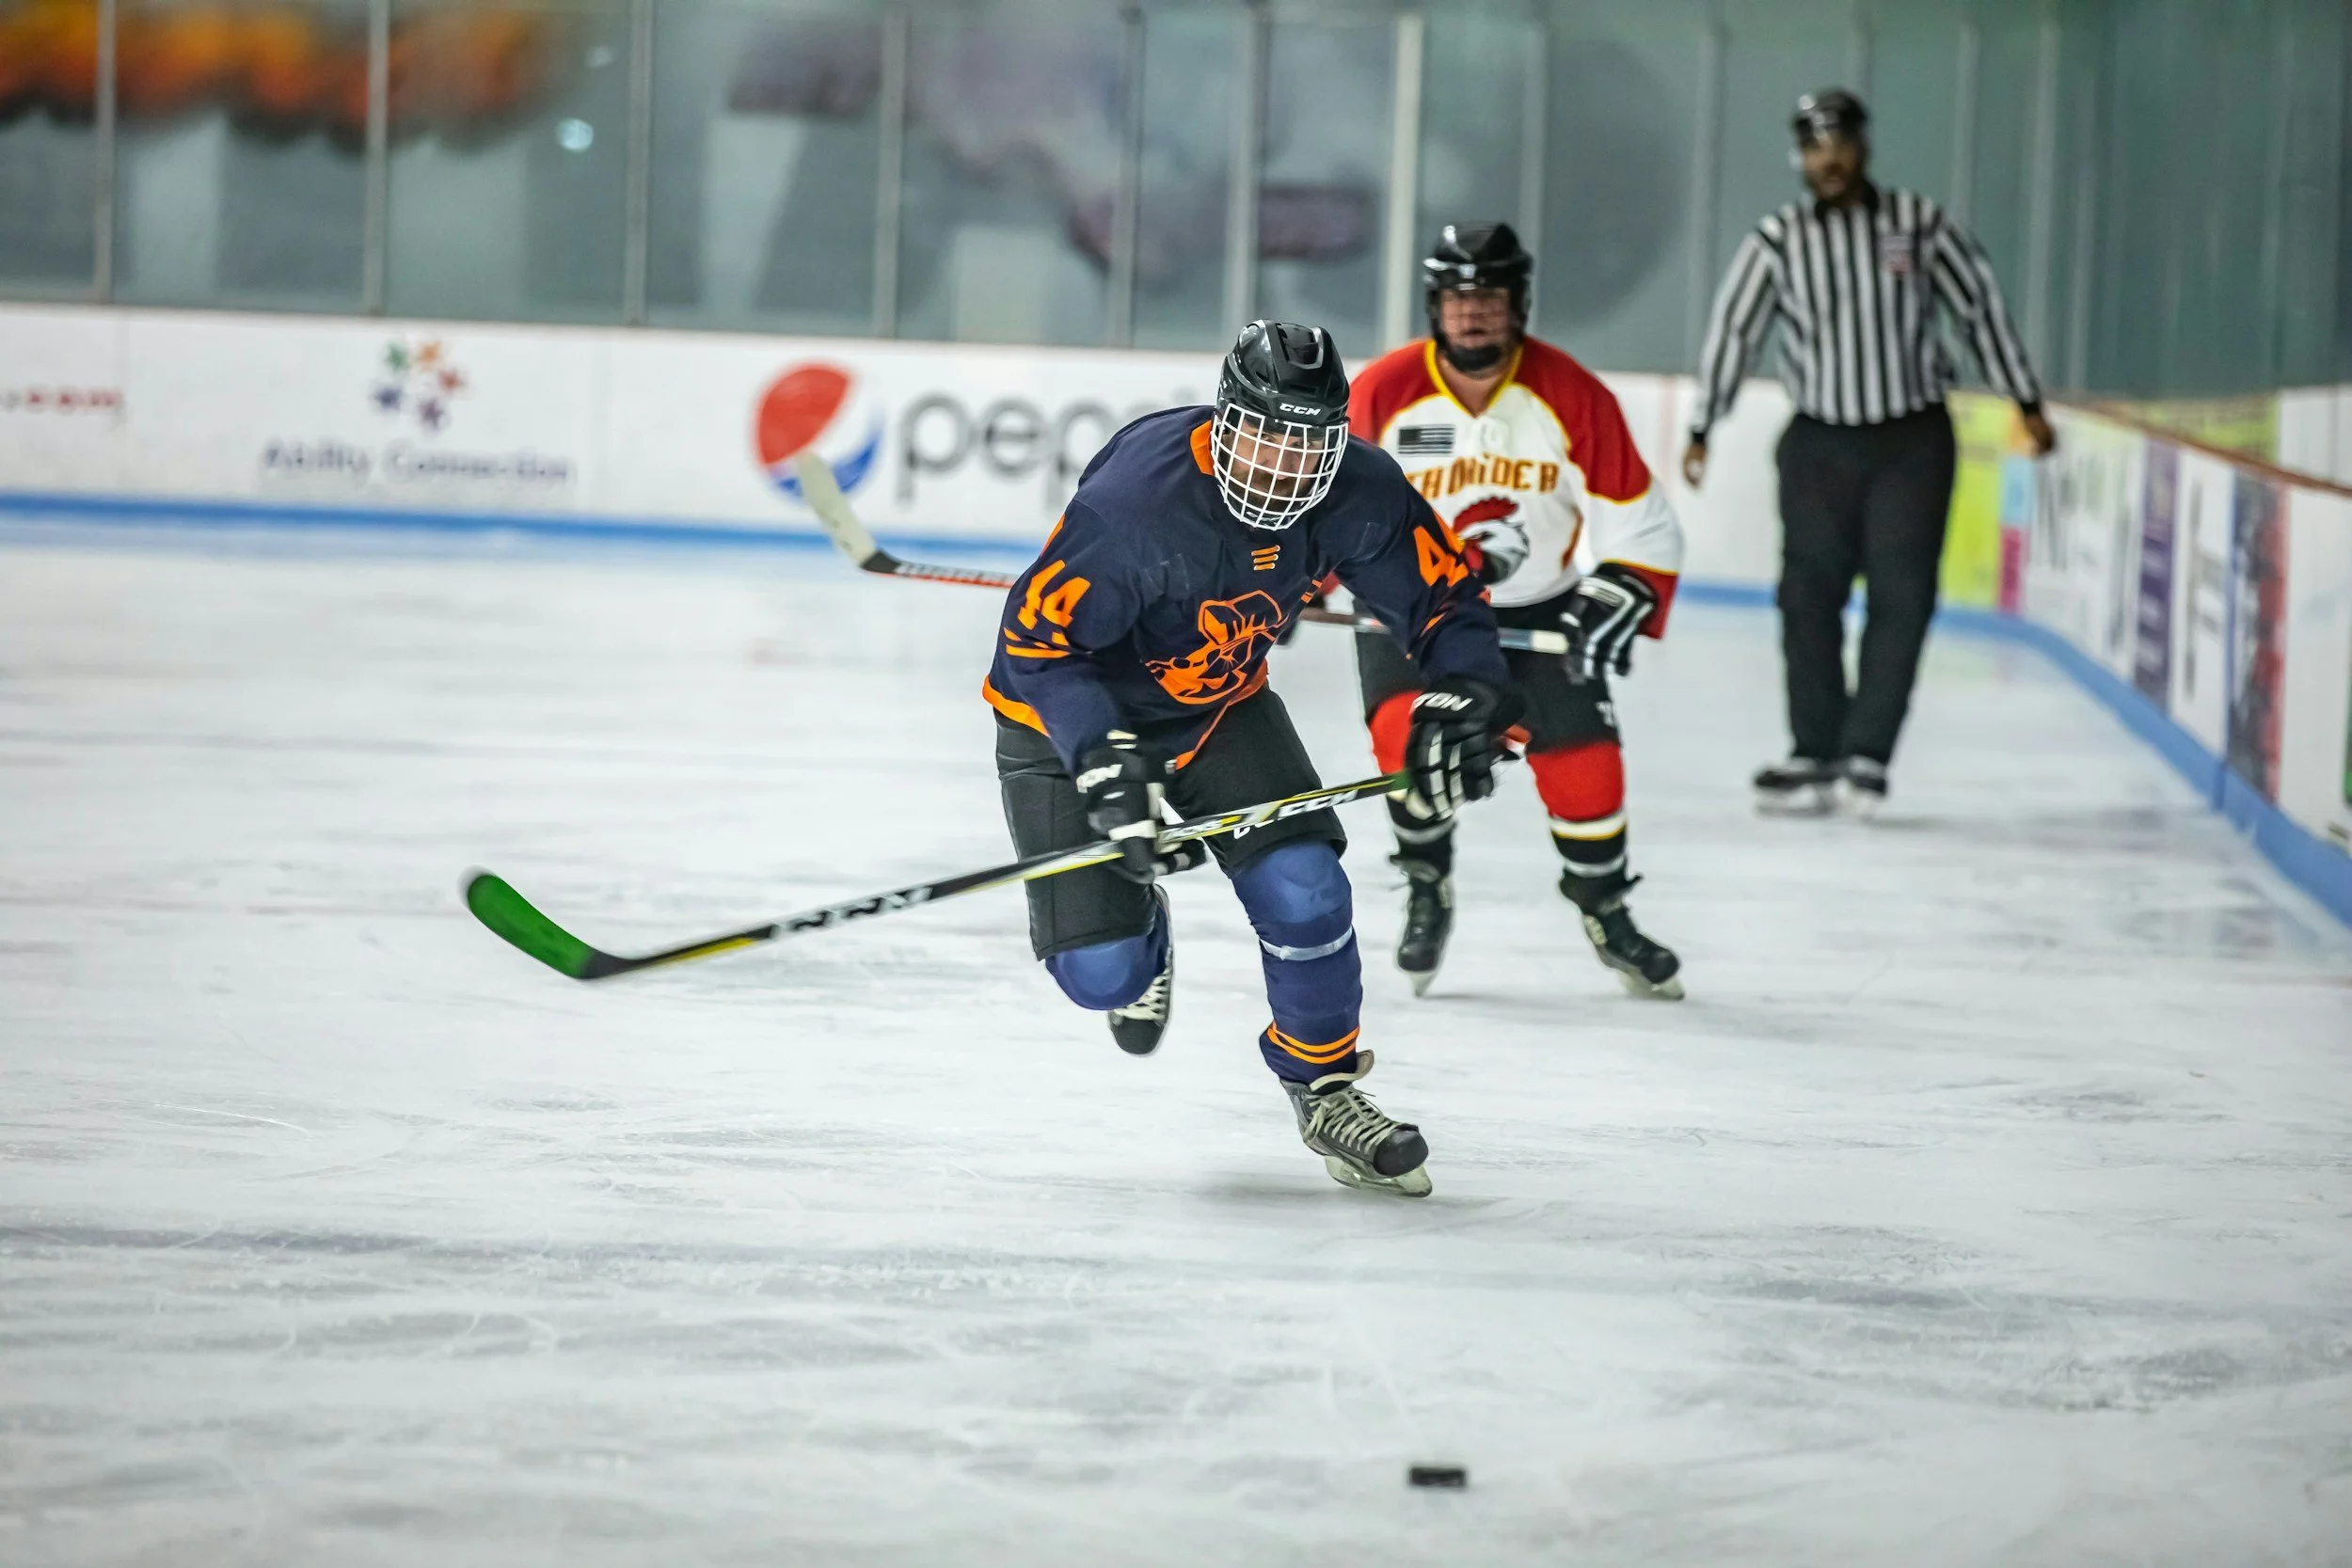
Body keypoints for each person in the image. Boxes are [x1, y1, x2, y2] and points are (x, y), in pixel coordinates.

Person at [985, 320, 1518, 1197]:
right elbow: (1037, 646)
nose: (1282, 466)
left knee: (1306, 888)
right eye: (1267, 437)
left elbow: (1442, 596)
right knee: (1100, 975)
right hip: (1065, 725)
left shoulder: (1358, 491)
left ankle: (1326, 1087)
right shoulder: (1136, 507)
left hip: (1217, 710)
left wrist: (1471, 689)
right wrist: (1102, 762)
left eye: (1308, 445)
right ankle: (1141, 937)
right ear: (1227, 421)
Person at [1684, 88, 2056, 816]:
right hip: (1819, 439)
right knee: (1807, 595)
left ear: (1863, 145)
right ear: (1800, 156)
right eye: (1816, 145)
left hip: (1910, 439)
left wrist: (2027, 400)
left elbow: (1980, 309)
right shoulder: (1778, 239)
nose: (1831, 157)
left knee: (1903, 594)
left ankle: (1868, 752)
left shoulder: (1919, 226)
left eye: (1842, 141)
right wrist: (1703, 424)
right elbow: (1736, 332)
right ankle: (1814, 748)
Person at [1348, 222, 1687, 1000]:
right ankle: (1428, 883)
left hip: (1540, 608)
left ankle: (1606, 908)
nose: (1473, 315)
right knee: (1411, 743)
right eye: (1458, 298)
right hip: (1419, 614)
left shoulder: (1571, 393)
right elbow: (1333, 505)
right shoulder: (1383, 390)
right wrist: (1297, 581)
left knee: (1588, 770)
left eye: (1489, 299)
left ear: (1518, 305)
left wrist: (1626, 581)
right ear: (1435, 304)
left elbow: (1639, 514)